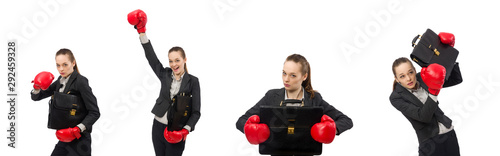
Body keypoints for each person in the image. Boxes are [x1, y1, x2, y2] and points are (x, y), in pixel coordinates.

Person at [236, 54, 353, 156]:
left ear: (304, 76)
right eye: (284, 73)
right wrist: (253, 131)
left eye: (292, 75)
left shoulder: (314, 99)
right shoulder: (271, 96)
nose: (286, 79)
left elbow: (346, 120)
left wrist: (332, 130)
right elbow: (241, 120)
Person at [127, 9, 201, 156]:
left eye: (177, 60)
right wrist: (142, 32)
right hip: (158, 127)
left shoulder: (193, 81)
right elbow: (151, 58)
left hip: (177, 130)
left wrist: (185, 131)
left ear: (184, 60)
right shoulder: (165, 74)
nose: (174, 64)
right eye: (171, 61)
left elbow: (196, 112)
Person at [389, 32, 462, 156]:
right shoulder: (396, 97)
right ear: (397, 79)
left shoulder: (423, 77)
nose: (408, 78)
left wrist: (448, 55)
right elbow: (423, 117)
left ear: (414, 70)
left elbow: (456, 79)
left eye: (410, 72)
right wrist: (433, 92)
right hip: (430, 143)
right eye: (402, 76)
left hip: (449, 135)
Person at [31, 48, 100, 156]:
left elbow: (94, 112)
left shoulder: (81, 81)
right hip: (64, 138)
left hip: (80, 140)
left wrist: (77, 129)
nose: (61, 69)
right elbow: (37, 97)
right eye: (58, 65)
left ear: (73, 63)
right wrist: (36, 87)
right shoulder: (60, 80)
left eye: (65, 64)